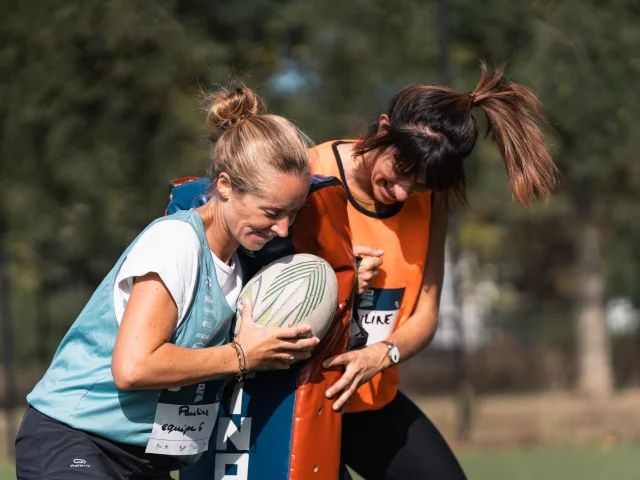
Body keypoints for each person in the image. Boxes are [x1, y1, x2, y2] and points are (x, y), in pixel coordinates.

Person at [15, 85, 322, 480]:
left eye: (293, 212)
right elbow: (134, 366)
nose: (283, 228)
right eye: (271, 211)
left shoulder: (241, 270)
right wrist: (241, 355)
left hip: (148, 460)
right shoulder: (175, 242)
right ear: (225, 186)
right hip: (76, 440)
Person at [311, 62, 559, 479]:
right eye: (401, 172)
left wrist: (382, 354)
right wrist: (337, 276)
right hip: (304, 401)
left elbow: (425, 317)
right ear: (384, 128)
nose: (406, 192)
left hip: (372, 400)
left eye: (422, 184)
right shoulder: (309, 173)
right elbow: (260, 285)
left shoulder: (433, 203)